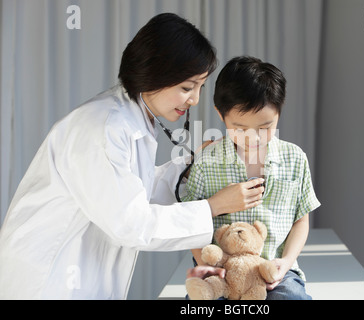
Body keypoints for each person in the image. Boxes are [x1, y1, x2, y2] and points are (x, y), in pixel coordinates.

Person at [0, 14, 264, 300]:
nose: (194, 100)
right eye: (187, 87)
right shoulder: (102, 127)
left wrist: (188, 167)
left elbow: (132, 192)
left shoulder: (132, 119)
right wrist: (212, 206)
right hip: (47, 282)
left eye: (200, 87)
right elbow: (130, 223)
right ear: (155, 73)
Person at [182, 56, 321, 300]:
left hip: (275, 273)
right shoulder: (206, 161)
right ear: (220, 114)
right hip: (221, 272)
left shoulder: (294, 158)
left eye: (265, 127)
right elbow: (192, 222)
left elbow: (301, 220)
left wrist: (286, 263)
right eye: (240, 128)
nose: (253, 138)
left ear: (279, 111)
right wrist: (207, 264)